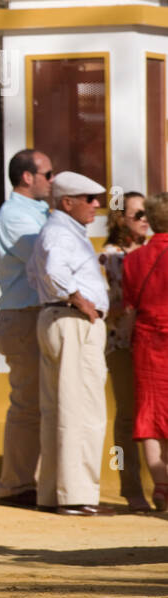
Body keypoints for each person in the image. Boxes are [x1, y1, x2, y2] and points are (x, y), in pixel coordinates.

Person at [26, 171, 111, 516]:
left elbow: (36, 272)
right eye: (89, 199)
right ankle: (76, 497)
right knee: (82, 410)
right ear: (67, 202)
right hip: (72, 321)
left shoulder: (59, 230)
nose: (96, 205)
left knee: (60, 410)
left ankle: (55, 493)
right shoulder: (60, 232)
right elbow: (52, 271)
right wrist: (80, 300)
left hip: (62, 319)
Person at [0, 148, 53, 508]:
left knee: (38, 403)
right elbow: (45, 257)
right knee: (28, 404)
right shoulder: (15, 214)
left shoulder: (35, 212)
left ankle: (29, 482)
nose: (53, 180)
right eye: (48, 174)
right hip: (24, 314)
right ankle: (15, 485)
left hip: (32, 313)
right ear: (27, 177)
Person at [99, 191, 151, 510]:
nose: (145, 220)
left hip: (154, 342)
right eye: (138, 214)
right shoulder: (110, 255)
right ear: (121, 219)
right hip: (122, 344)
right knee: (128, 417)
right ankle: (130, 488)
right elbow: (106, 304)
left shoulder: (156, 250)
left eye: (147, 213)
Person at [123, 192, 168, 510]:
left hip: (147, 341)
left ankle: (161, 487)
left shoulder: (134, 259)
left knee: (150, 414)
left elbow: (129, 306)